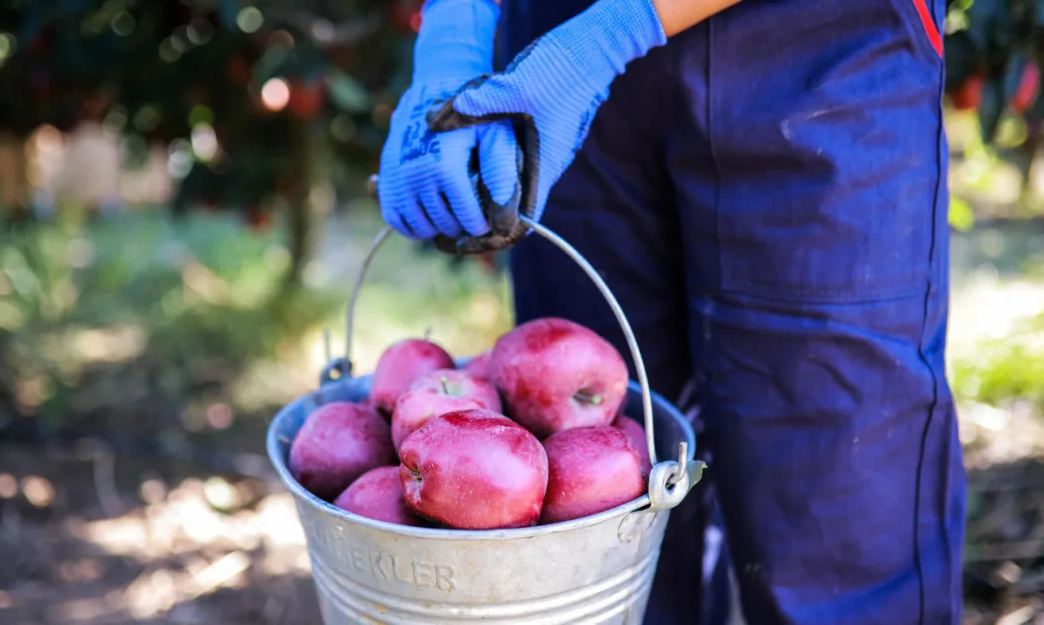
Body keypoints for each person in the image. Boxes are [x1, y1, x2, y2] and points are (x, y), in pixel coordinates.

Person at [376, 0, 968, 622]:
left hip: (814, 49)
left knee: (836, 519)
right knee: (599, 536)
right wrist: (456, 29)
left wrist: (620, 26)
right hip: (557, 61)